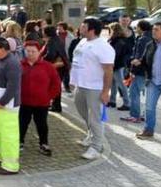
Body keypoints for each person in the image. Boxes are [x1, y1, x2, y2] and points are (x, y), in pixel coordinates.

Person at [69, 17, 114, 160]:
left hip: (95, 87)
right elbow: (76, 62)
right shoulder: (82, 42)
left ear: (91, 29)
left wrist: (106, 91)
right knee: (83, 112)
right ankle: (91, 134)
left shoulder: (103, 46)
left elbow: (108, 70)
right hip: (80, 85)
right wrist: (73, 80)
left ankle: (96, 147)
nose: (80, 28)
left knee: (95, 118)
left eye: (83, 26)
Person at [0, 37, 23, 174]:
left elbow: (13, 86)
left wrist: (2, 102)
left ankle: (10, 165)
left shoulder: (12, 63)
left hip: (6, 105)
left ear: (2, 48)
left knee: (8, 134)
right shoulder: (0, 60)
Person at [19, 41, 61, 156]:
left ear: (39, 52)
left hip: (41, 103)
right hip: (24, 101)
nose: (30, 54)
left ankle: (44, 143)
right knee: (22, 123)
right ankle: (19, 142)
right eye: (28, 51)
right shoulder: (19, 65)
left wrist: (49, 96)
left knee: (41, 124)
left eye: (33, 51)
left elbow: (56, 84)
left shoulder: (48, 67)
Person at [122, 20, 152, 123]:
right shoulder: (151, 37)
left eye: (137, 27)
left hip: (139, 71)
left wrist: (133, 67)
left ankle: (135, 115)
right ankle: (144, 115)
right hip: (147, 71)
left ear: (140, 27)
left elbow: (139, 56)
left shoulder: (143, 39)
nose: (136, 29)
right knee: (145, 95)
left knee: (134, 93)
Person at [42, 25, 70, 113]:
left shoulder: (51, 41)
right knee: (56, 86)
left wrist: (42, 60)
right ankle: (55, 104)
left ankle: (56, 105)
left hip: (57, 66)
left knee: (55, 86)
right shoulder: (57, 39)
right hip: (62, 65)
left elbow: (51, 55)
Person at [107, 23, 131, 110]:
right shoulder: (119, 40)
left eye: (110, 30)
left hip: (117, 64)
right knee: (113, 83)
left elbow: (115, 54)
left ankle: (127, 103)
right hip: (117, 64)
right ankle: (112, 101)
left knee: (121, 84)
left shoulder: (118, 40)